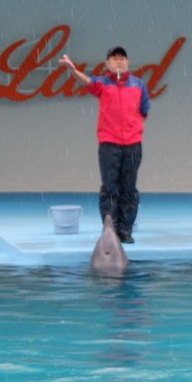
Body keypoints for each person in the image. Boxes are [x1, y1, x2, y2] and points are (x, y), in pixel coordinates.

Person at [59, 47, 150, 243]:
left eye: (122, 58)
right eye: (114, 59)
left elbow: (144, 111)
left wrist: (132, 129)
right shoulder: (103, 83)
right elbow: (88, 82)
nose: (119, 62)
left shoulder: (139, 85)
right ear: (107, 63)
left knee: (129, 187)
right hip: (109, 143)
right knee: (110, 187)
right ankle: (110, 228)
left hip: (133, 144)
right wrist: (72, 70)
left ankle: (125, 230)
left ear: (128, 62)